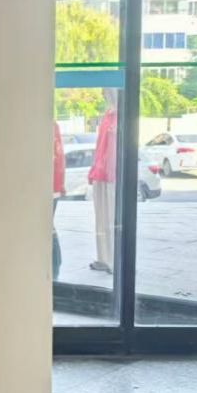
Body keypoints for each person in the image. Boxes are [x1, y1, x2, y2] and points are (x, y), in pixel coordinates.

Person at [89, 92, 118, 274]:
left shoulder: (120, 117)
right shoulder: (108, 115)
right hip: (100, 173)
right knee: (101, 219)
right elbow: (100, 146)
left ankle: (114, 260)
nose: (104, 95)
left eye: (107, 92)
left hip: (112, 175)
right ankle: (103, 258)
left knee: (112, 219)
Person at [53, 121, 65, 281]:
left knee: (47, 228)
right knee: (49, 228)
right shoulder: (53, 126)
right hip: (53, 186)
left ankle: (55, 265)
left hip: (48, 187)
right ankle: (55, 265)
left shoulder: (48, 126)